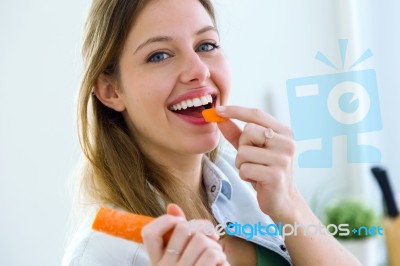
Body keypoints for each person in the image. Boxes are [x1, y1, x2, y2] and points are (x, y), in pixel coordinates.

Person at [62, 0, 361, 265]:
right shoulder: (99, 253)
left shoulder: (243, 181)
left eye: (206, 46)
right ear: (110, 90)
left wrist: (289, 204)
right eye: (159, 55)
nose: (199, 70)